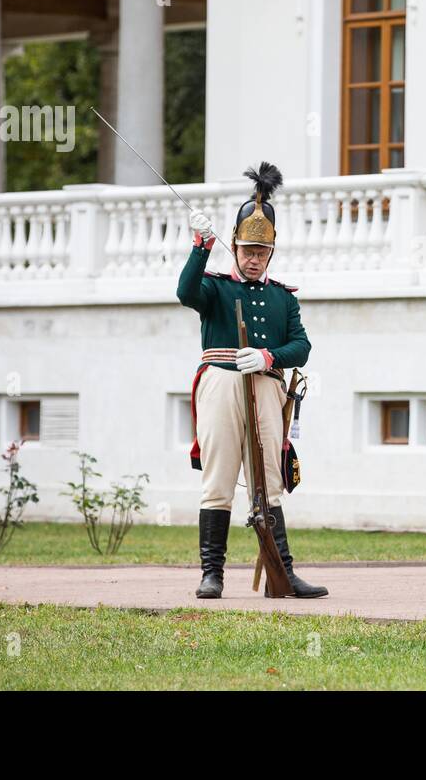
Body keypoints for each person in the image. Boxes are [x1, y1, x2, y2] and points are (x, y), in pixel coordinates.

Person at [179, 162, 327, 600]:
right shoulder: (217, 288)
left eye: (260, 252)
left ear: (271, 252)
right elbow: (186, 293)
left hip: (266, 386)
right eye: (246, 249)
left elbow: (301, 347)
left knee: (268, 481)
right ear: (236, 246)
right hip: (222, 384)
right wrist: (201, 247)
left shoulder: (283, 297)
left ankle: (283, 571)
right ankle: (212, 574)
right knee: (219, 478)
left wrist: (267, 356)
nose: (252, 257)